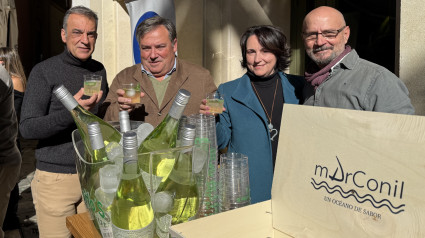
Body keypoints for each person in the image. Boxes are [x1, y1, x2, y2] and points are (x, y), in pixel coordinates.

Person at [19, 6, 108, 237]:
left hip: (91, 176)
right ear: (63, 35)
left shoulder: (98, 70)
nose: (85, 40)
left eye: (91, 34)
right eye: (77, 32)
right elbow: (27, 127)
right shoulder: (44, 71)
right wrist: (73, 111)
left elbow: (95, 120)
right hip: (56, 179)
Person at [201, 25, 304, 204]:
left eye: (265, 51)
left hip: (294, 187)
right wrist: (210, 120)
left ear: (278, 53)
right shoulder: (228, 91)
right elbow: (221, 141)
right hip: (250, 192)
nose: (257, 59)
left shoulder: (300, 87)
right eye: (251, 51)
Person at [103, 16, 217, 126]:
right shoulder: (124, 78)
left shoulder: (201, 77)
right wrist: (120, 109)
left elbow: (219, 121)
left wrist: (213, 115)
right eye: (146, 48)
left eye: (160, 47)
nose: (153, 55)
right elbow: (104, 122)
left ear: (174, 45)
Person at [302, 6, 414, 114]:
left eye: (329, 34)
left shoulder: (379, 80)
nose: (320, 42)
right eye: (311, 35)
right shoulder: (306, 83)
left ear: (346, 34)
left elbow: (401, 132)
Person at [0, 47, 26, 237]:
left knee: (9, 212)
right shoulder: (11, 78)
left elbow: (14, 114)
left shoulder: (9, 79)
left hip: (9, 147)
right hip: (12, 145)